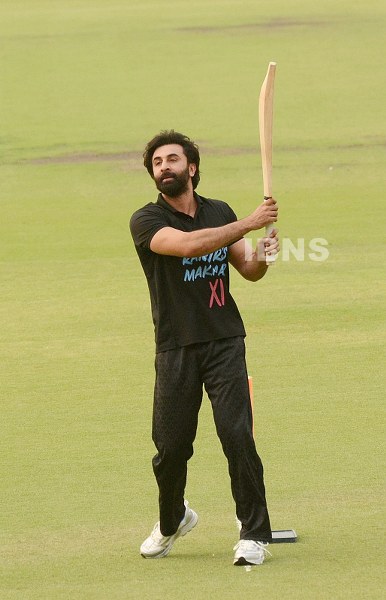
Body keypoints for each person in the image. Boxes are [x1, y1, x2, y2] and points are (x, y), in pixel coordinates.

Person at [129, 130, 279, 566]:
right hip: (175, 346)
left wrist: (264, 255)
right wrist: (249, 223)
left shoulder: (218, 211)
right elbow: (189, 246)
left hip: (224, 340)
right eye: (157, 163)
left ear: (191, 167)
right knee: (171, 447)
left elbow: (248, 270)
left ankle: (253, 533)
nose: (164, 168)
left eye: (172, 160)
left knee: (237, 437)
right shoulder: (146, 221)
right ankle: (173, 518)